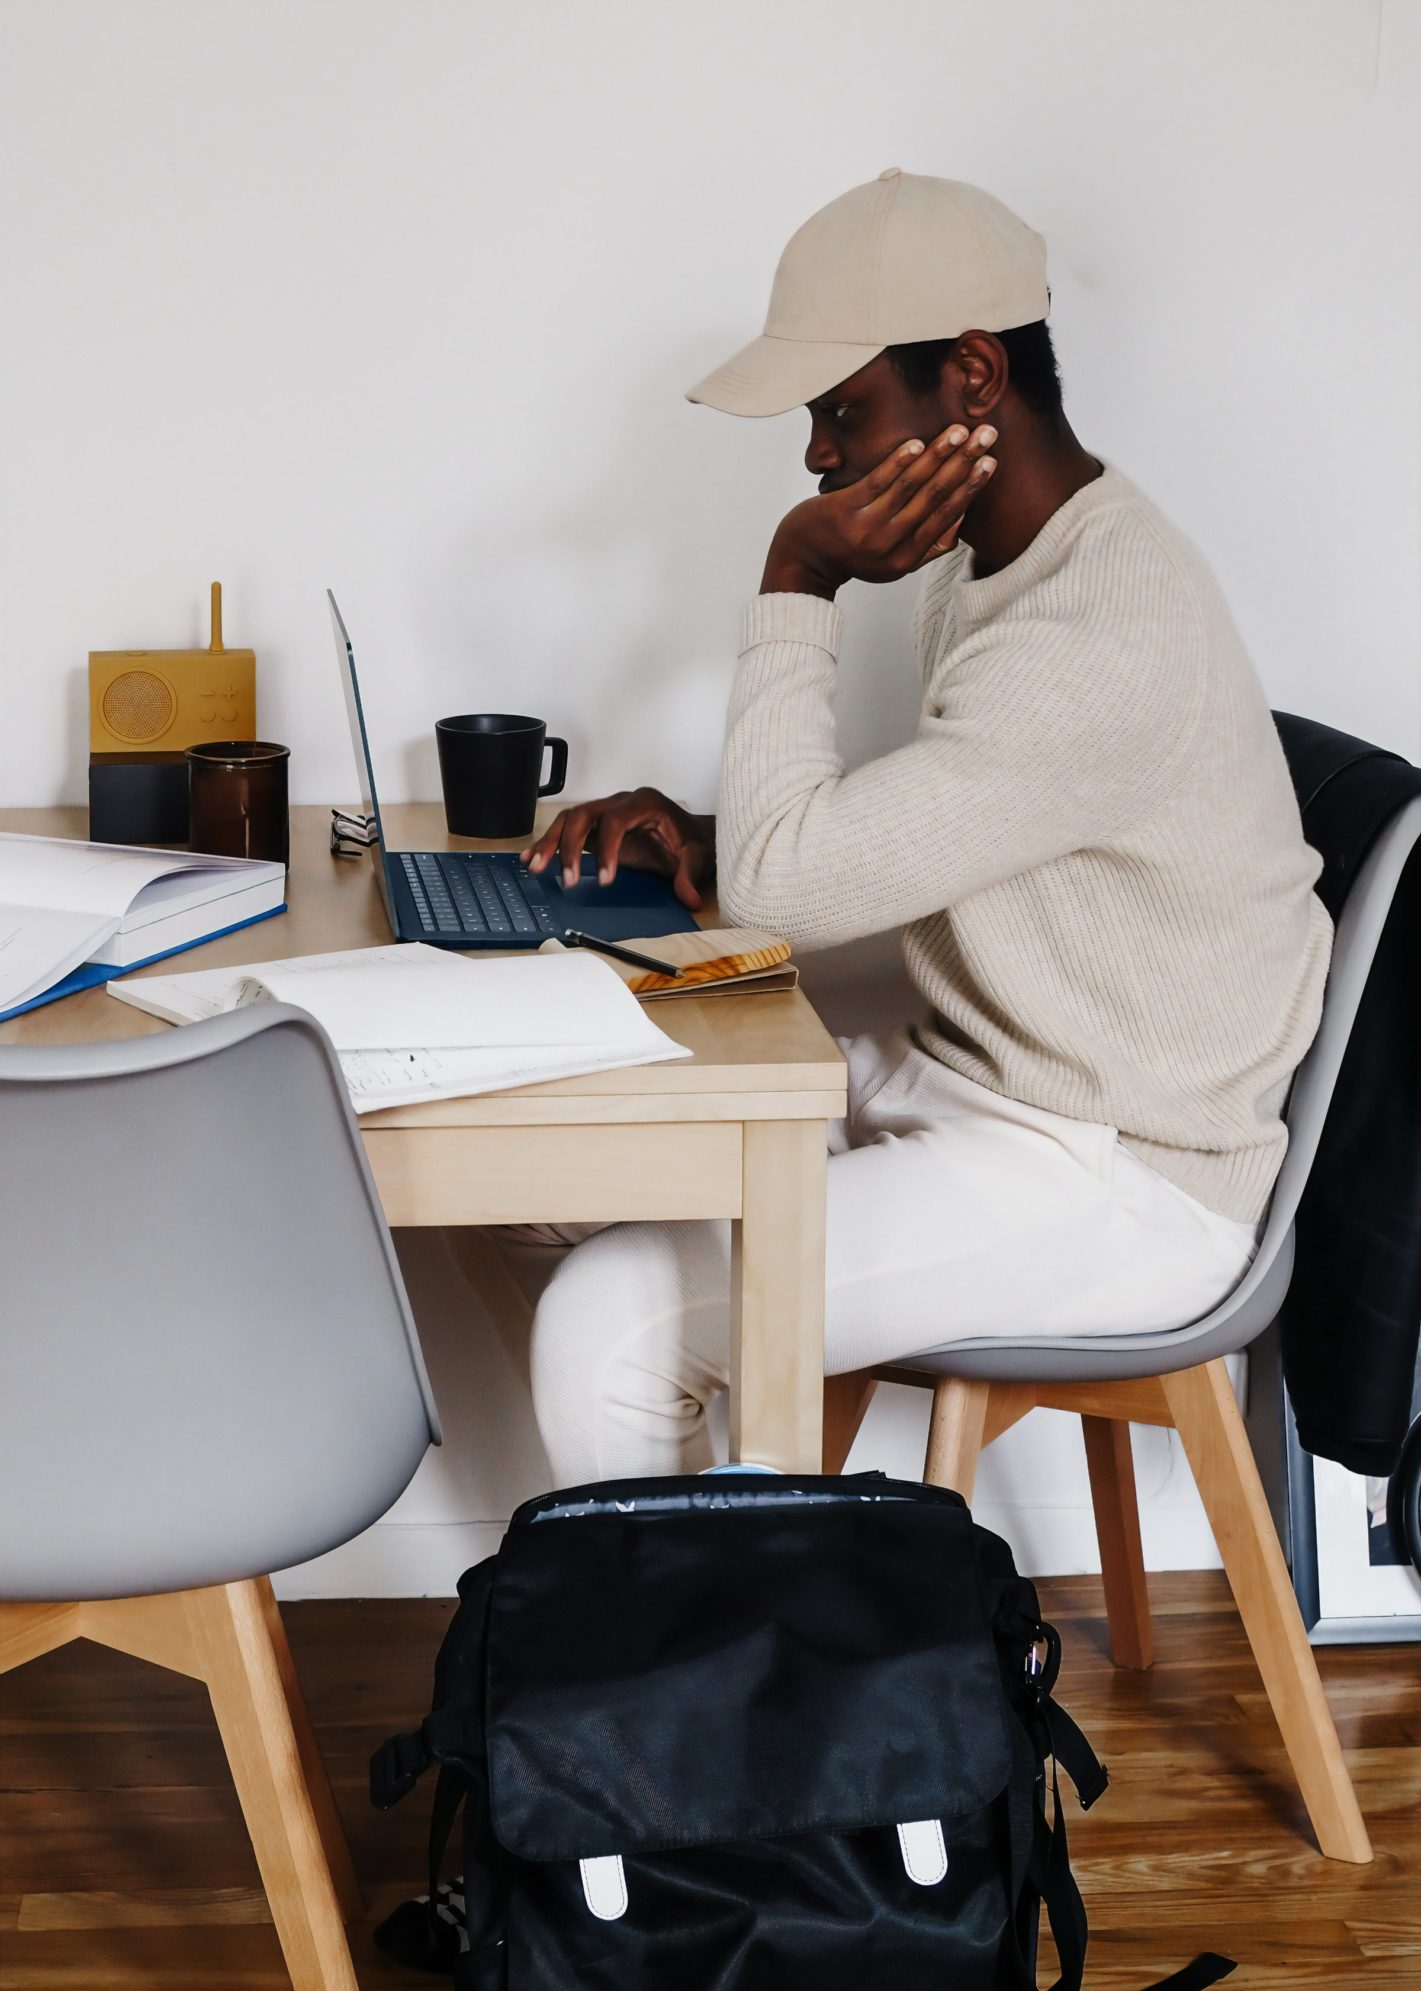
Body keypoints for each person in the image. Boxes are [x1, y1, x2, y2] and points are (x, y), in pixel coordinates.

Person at [502, 170, 1330, 1486]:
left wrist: (798, 577)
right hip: (986, 1066)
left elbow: (792, 896)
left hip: (1115, 1171)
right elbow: (940, 824)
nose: (818, 455)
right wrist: (714, 839)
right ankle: (748, 1600)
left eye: (840, 411)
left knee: (610, 1327)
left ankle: (702, 1682)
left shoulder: (1094, 629)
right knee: (550, 1170)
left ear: (975, 377)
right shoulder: (1011, 562)